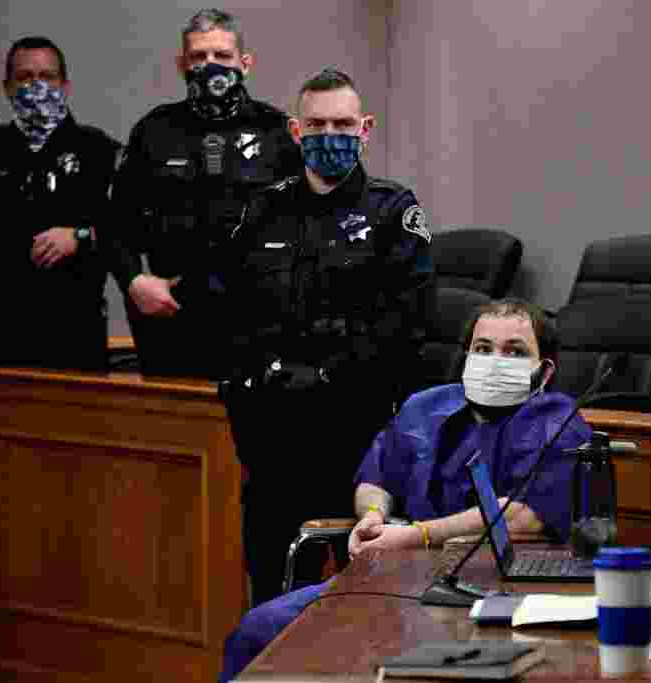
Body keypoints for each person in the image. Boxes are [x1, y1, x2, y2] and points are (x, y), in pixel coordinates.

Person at [218, 298, 592, 682]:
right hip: (393, 581)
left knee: (383, 655)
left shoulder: (557, 421)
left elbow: (522, 516)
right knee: (260, 630)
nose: (495, 360)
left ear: (543, 371)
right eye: (483, 349)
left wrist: (416, 535)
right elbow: (375, 477)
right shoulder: (425, 405)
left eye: (514, 351)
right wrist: (373, 517)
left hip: (490, 591)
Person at [220, 67, 435, 607]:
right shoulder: (263, 209)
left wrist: (325, 373)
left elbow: (406, 324)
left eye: (343, 123)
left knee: (357, 597)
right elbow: (230, 309)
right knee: (271, 586)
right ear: (295, 132)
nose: (329, 135)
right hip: (272, 438)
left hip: (353, 434)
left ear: (366, 129)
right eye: (316, 124)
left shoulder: (391, 210)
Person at [105, 8, 303, 378]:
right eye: (198, 56)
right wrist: (134, 281)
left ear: (245, 63)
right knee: (172, 430)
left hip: (258, 321)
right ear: (182, 64)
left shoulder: (278, 131)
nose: (210, 66)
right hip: (174, 318)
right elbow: (116, 223)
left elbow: (311, 221)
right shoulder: (154, 130)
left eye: (222, 56)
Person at [0, 36, 119, 370]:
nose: (36, 86)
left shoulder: (98, 151)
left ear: (65, 86)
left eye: (47, 77)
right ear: (7, 87)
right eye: (24, 77)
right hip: (1, 331)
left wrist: (79, 236)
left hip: (75, 327)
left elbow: (129, 229)